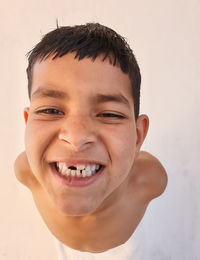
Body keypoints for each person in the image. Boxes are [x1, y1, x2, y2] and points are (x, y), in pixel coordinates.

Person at [14, 23, 168, 259]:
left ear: (138, 136)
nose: (76, 139)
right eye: (51, 111)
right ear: (28, 123)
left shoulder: (150, 179)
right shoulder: (26, 170)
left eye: (109, 114)